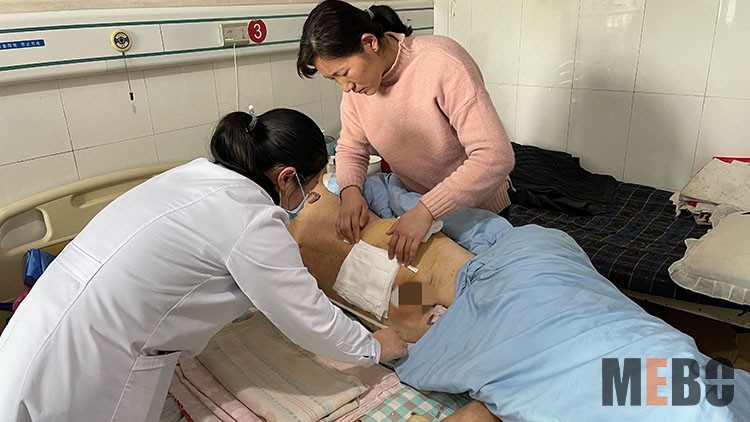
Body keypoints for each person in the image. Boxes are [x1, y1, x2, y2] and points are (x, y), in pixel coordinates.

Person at [0, 108, 407, 421]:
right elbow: (306, 314)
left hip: (38, 325)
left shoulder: (193, 175)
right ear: (286, 178)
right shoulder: (249, 219)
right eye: (312, 188)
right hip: (90, 366)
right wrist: (372, 347)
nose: (310, 199)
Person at [297, 0, 515, 266]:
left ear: (370, 43)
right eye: (334, 79)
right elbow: (352, 148)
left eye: (344, 73)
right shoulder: (358, 90)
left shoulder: (442, 63)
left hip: (477, 213)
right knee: (419, 287)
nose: (345, 87)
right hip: (417, 205)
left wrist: (427, 210)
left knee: (471, 284)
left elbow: (495, 156)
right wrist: (350, 191)